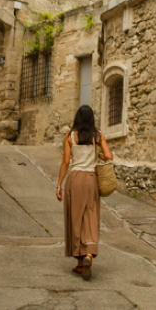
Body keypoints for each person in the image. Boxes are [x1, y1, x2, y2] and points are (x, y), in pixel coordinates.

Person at [55, 105, 113, 280]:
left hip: (74, 180)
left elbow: (65, 162)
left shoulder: (70, 137)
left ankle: (80, 262)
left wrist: (59, 184)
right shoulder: (98, 136)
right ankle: (88, 256)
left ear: (77, 119)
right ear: (92, 119)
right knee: (90, 216)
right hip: (91, 179)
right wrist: (98, 156)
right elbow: (109, 156)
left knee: (75, 218)